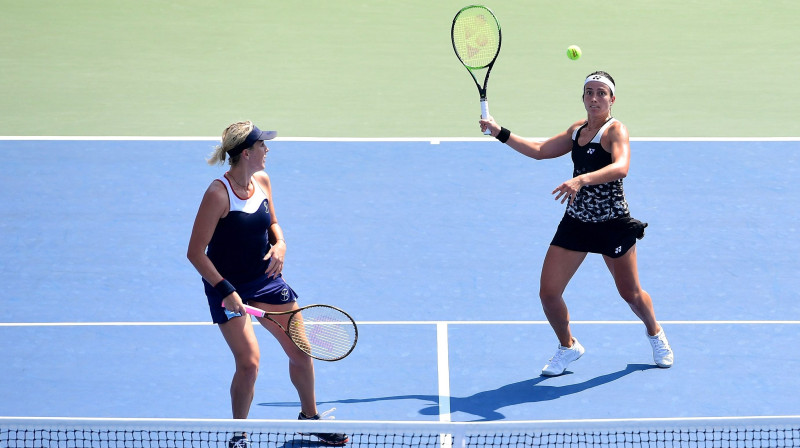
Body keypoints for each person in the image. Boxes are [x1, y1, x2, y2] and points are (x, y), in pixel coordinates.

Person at [479, 71, 674, 376]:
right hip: (577, 223)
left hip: (613, 225)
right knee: (548, 293)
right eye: (589, 92)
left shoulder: (615, 131)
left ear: (612, 99)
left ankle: (655, 333)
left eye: (601, 93)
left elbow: (621, 167)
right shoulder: (577, 131)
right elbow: (541, 151)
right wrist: (499, 131)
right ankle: (568, 346)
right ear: (583, 97)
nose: (594, 98)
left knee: (630, 293)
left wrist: (582, 179)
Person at [187, 121, 348, 447]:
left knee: (301, 353)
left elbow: (273, 222)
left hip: (266, 280)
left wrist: (282, 243)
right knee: (249, 364)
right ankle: (238, 435)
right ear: (246, 153)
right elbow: (194, 253)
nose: (268, 149)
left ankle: (309, 418)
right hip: (226, 286)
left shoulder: (262, 181)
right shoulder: (217, 194)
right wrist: (225, 290)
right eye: (263, 145)